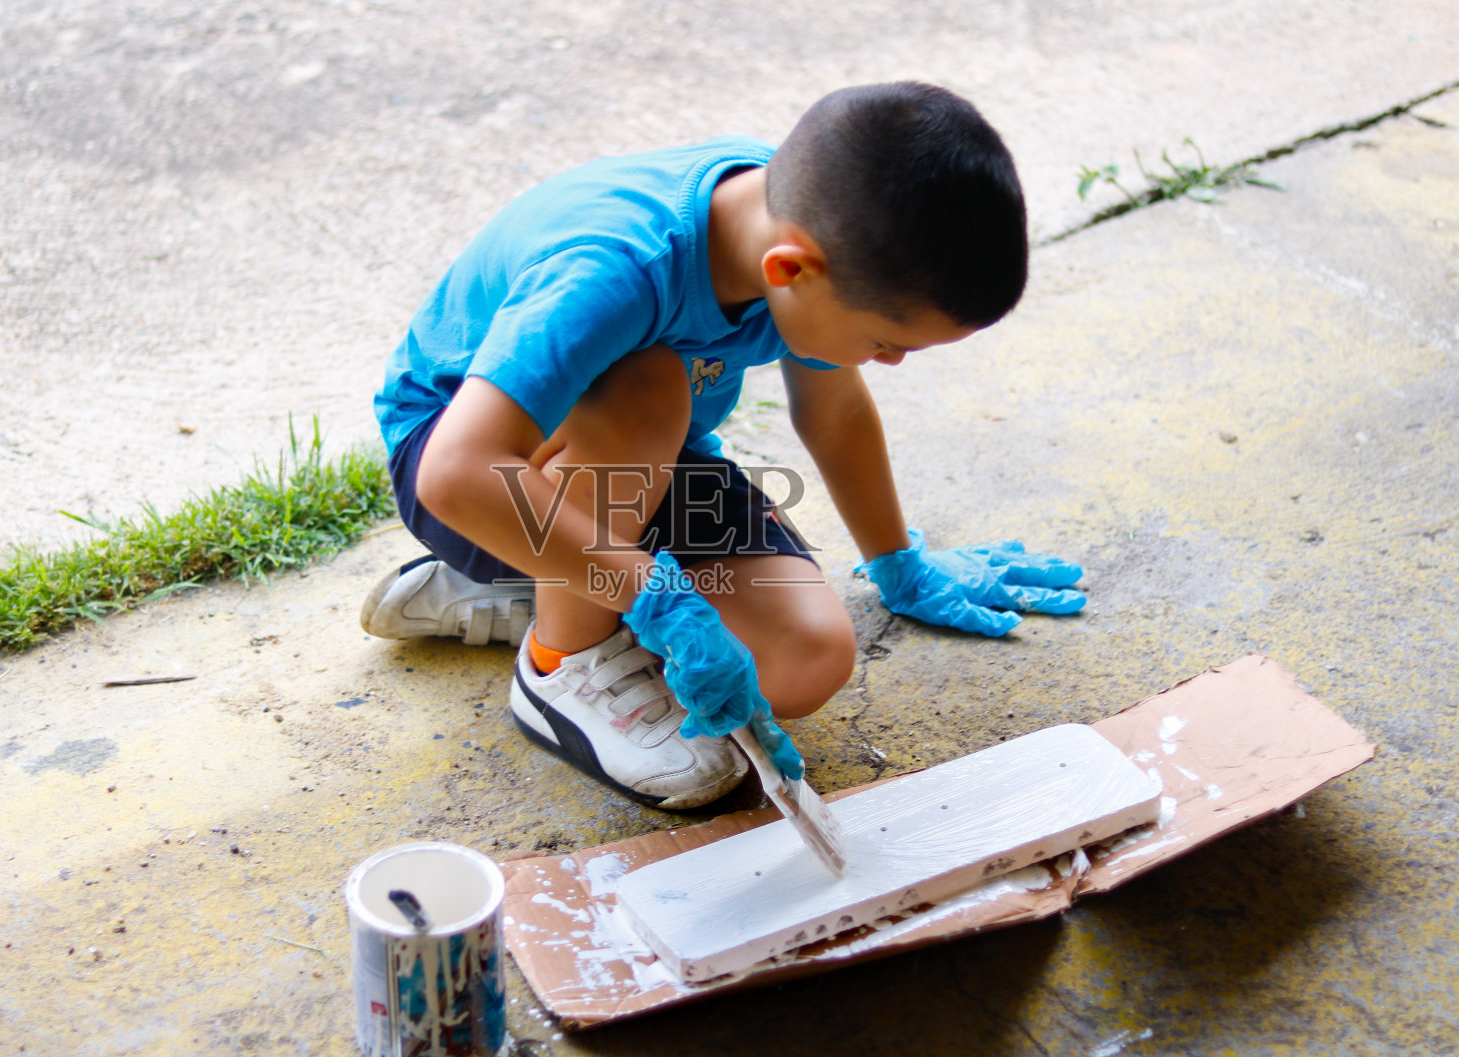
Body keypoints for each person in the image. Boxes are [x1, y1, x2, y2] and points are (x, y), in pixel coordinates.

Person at [362, 82, 1086, 811]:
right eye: (885, 342)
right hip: (477, 460)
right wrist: (658, 597)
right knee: (648, 384)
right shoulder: (617, 266)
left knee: (808, 661)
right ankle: (561, 666)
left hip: (634, 458)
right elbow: (454, 472)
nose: (890, 362)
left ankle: (546, 589)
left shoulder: (820, 224)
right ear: (789, 271)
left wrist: (899, 564)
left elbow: (832, 413)